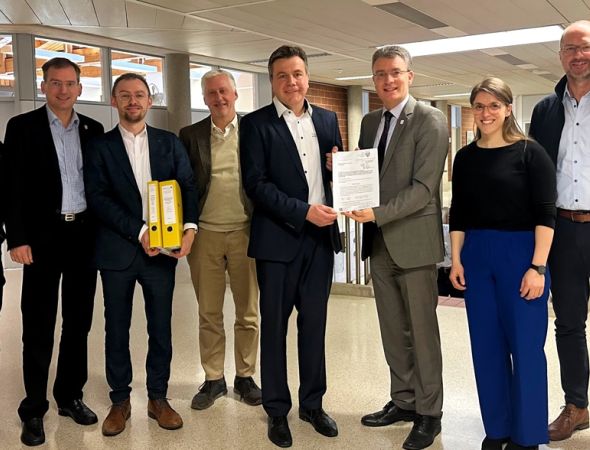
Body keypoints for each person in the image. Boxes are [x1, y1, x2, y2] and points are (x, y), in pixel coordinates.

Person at [343, 45, 448, 450]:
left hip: (414, 242)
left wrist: (377, 213)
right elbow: (369, 174)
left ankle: (429, 413)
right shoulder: (370, 122)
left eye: (395, 72)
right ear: (373, 79)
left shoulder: (431, 120)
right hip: (380, 244)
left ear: (410, 76)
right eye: (380, 73)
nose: (388, 80)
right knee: (392, 329)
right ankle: (403, 401)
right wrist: (343, 172)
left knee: (422, 333)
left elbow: (423, 188)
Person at [84, 73, 199, 437]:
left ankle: (158, 398)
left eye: (139, 95)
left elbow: (187, 185)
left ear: (150, 101)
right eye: (125, 95)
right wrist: (139, 230)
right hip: (117, 251)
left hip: (162, 251)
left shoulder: (169, 142)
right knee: (116, 328)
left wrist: (190, 227)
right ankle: (120, 401)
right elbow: (98, 197)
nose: (132, 101)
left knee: (160, 327)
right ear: (114, 101)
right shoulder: (100, 147)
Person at [240, 45, 342, 448]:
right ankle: (277, 410)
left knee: (314, 326)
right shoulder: (256, 124)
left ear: (307, 77)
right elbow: (256, 184)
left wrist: (338, 170)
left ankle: (312, 405)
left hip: (320, 243)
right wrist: (303, 212)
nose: (291, 82)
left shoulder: (328, 119)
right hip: (277, 242)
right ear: (272, 81)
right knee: (275, 328)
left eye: (297, 74)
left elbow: (335, 175)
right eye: (282, 75)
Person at [449, 78, 556, 450]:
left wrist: (538, 268)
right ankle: (498, 429)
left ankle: (527, 435)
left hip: (521, 256)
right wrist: (456, 260)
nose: (486, 113)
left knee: (526, 349)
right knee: (487, 348)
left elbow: (546, 214)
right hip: (477, 256)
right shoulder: (465, 157)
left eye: (494, 105)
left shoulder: (531, 153)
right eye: (479, 105)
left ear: (508, 109)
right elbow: (459, 213)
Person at [3, 57, 104, 447]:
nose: (64, 90)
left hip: (83, 236)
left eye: (70, 83)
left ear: (80, 88)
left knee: (78, 323)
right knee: (38, 325)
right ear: (44, 86)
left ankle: (69, 396)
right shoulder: (22, 127)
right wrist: (17, 238)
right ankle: (33, 408)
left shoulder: (93, 129)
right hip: (41, 240)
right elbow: (12, 187)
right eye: (56, 83)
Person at [179, 69, 261, 410]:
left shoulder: (254, 130)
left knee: (248, 312)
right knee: (209, 312)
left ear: (235, 94)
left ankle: (245, 376)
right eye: (212, 93)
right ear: (204, 98)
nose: (219, 98)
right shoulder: (190, 135)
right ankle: (214, 378)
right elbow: (183, 184)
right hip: (205, 235)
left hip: (246, 232)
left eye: (224, 91)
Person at [529, 20, 590, 442]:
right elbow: (535, 173)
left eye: (584, 47)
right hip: (564, 231)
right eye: (570, 48)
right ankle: (577, 405)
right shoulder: (545, 110)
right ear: (560, 55)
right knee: (568, 323)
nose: (578, 55)